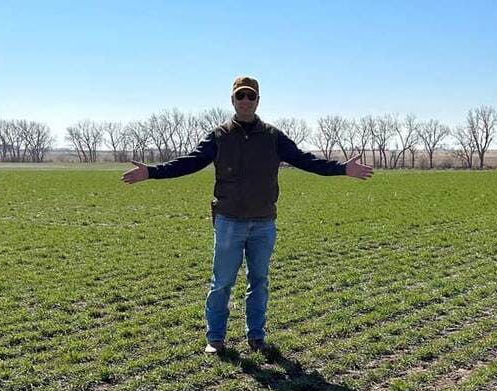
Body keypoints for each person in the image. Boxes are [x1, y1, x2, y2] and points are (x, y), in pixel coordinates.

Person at [122, 76, 373, 354]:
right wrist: (152, 172)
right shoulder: (219, 136)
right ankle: (215, 338)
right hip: (229, 221)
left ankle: (256, 336)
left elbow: (305, 160)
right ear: (232, 100)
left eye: (250, 96)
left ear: (258, 101)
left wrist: (341, 169)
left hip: (264, 222)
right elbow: (190, 163)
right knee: (222, 283)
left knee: (259, 281)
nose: (245, 101)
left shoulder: (273, 136)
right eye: (240, 96)